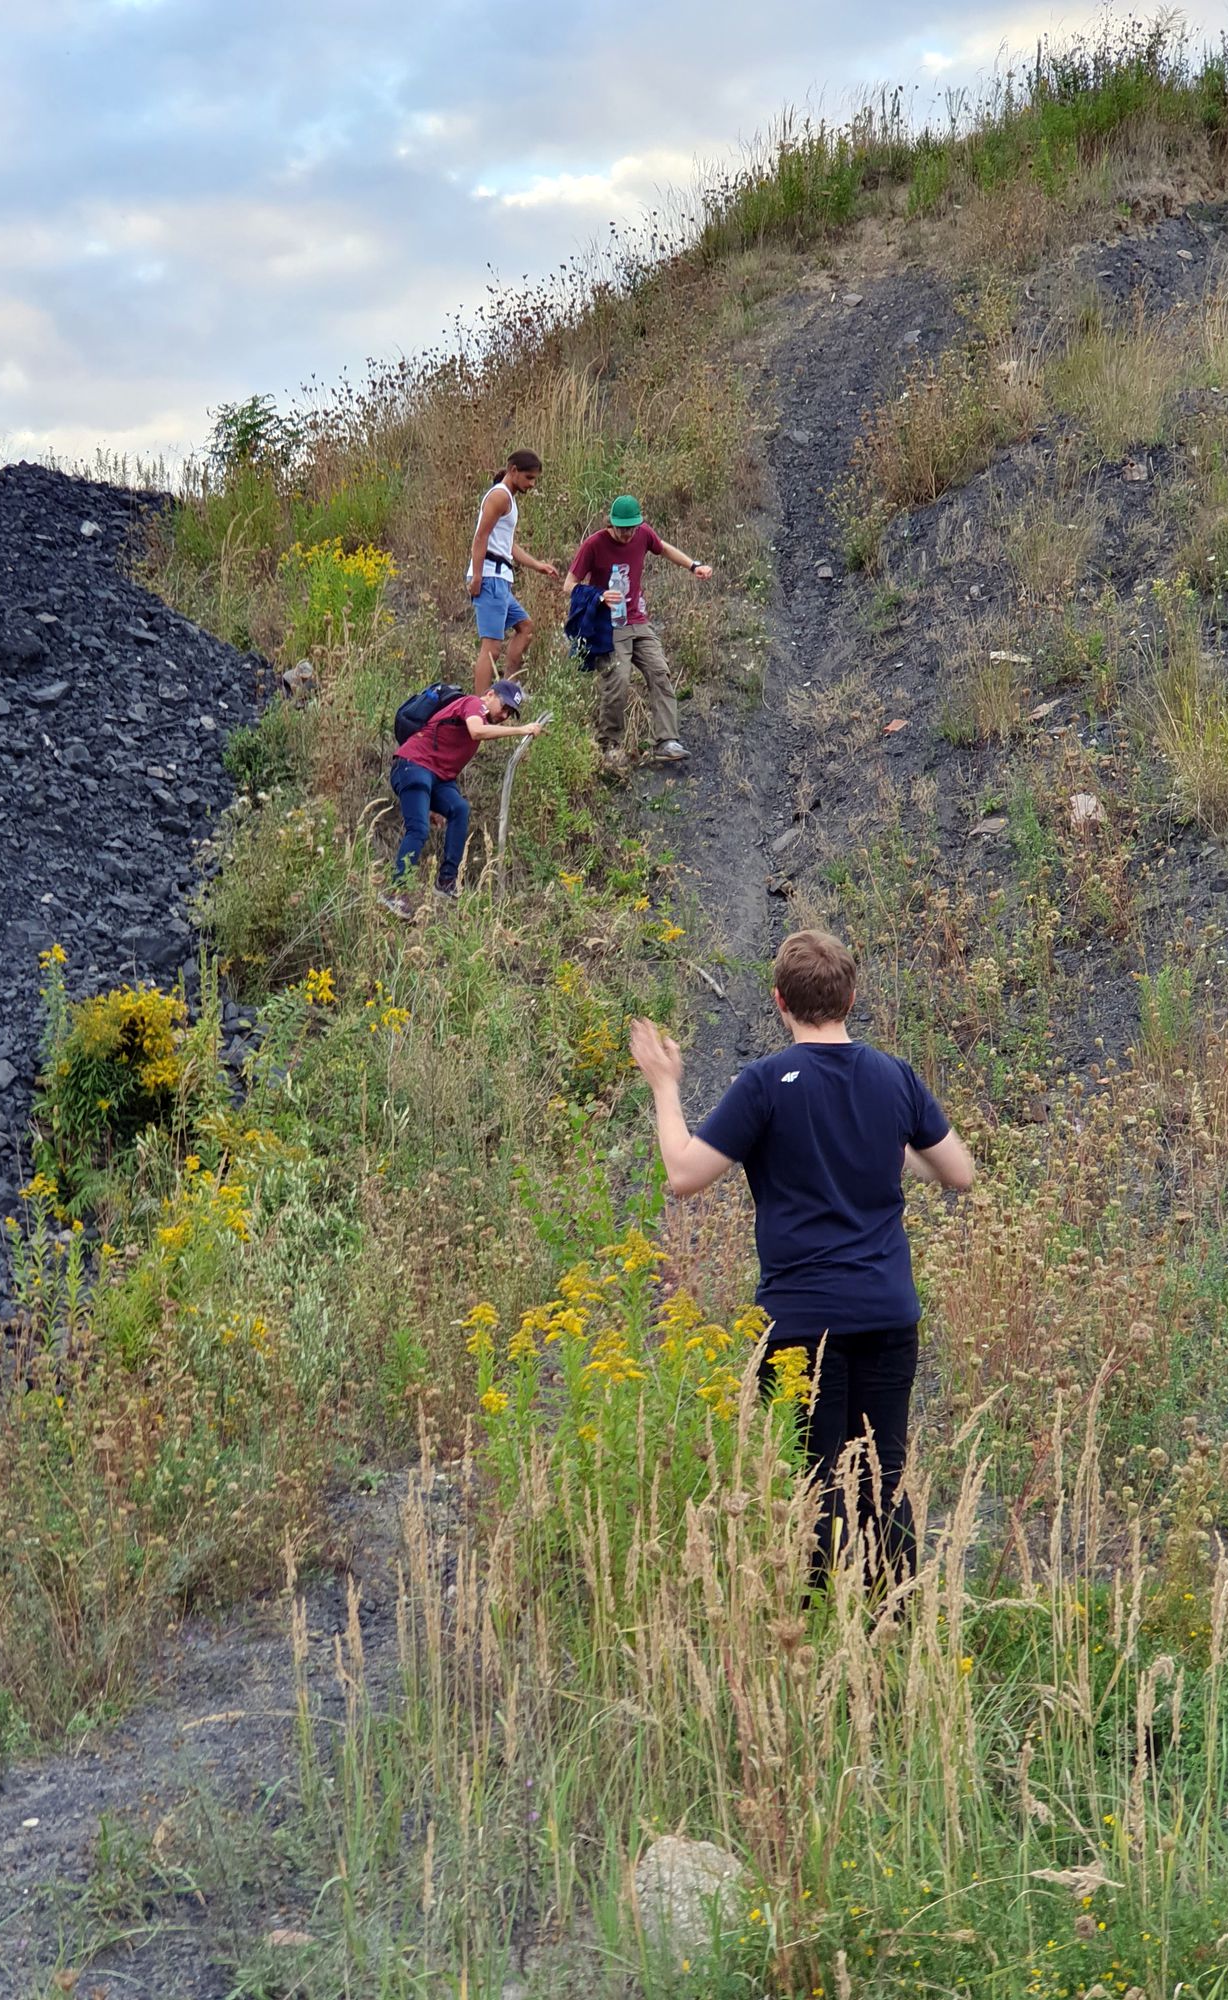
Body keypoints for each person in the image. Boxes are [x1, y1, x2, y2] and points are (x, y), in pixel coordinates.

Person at [629, 930, 974, 1582]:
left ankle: (821, 1638)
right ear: (852, 996)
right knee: (883, 1485)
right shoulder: (893, 1076)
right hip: (888, 1314)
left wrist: (664, 1084)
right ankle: (892, 1630)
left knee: (820, 1489)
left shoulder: (765, 1084)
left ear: (779, 1001)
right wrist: (891, 1151)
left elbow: (683, 1173)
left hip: (800, 1324)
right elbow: (957, 1171)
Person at [562, 494, 711, 770]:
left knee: (659, 671)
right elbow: (569, 585)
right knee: (618, 679)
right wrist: (598, 595)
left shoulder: (643, 534)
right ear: (611, 523)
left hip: (638, 620)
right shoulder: (594, 544)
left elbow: (663, 547)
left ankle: (666, 742)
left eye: (632, 527)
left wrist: (693, 565)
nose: (628, 534)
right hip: (609, 626)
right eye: (622, 528)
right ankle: (609, 747)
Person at [381, 677, 546, 918]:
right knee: (418, 829)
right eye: (504, 707)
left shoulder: (476, 719)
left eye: (511, 713)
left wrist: (432, 805)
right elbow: (477, 731)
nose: (504, 716)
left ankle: (446, 882)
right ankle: (396, 892)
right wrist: (522, 729)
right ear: (489, 694)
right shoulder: (472, 704)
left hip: (434, 777)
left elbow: (447, 769)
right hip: (412, 766)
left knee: (459, 808)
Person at [467, 451, 559, 696]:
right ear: (513, 470)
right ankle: (478, 707)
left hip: (501, 579)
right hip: (490, 577)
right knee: (491, 648)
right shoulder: (499, 496)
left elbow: (507, 544)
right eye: (529, 477)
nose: (532, 484)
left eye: (535, 479)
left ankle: (506, 691)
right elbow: (481, 537)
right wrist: (477, 576)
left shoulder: (509, 498)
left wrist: (537, 564)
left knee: (525, 627)